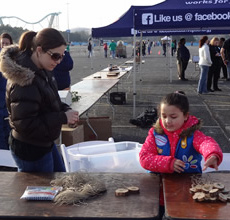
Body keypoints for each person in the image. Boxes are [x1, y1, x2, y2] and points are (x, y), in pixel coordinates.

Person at [0, 28, 79, 172]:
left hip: (44, 143)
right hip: (30, 150)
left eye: (62, 56)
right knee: (42, 192)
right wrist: (62, 117)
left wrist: (66, 109)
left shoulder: (42, 69)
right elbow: (26, 124)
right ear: (39, 50)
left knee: (60, 182)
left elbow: (51, 100)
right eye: (55, 56)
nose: (59, 61)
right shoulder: (24, 80)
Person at [139, 91, 223, 219]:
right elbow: (144, 158)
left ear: (185, 116)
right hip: (158, 192)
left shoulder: (193, 134)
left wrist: (212, 155)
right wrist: (169, 163)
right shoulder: (155, 134)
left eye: (173, 117)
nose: (168, 121)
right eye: (164, 116)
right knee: (156, 214)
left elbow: (206, 143)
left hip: (188, 192)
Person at [0, 33, 13, 149]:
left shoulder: (14, 60)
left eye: (7, 43)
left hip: (9, 103)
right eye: (2, 43)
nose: (4, 45)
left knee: (9, 133)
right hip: (1, 104)